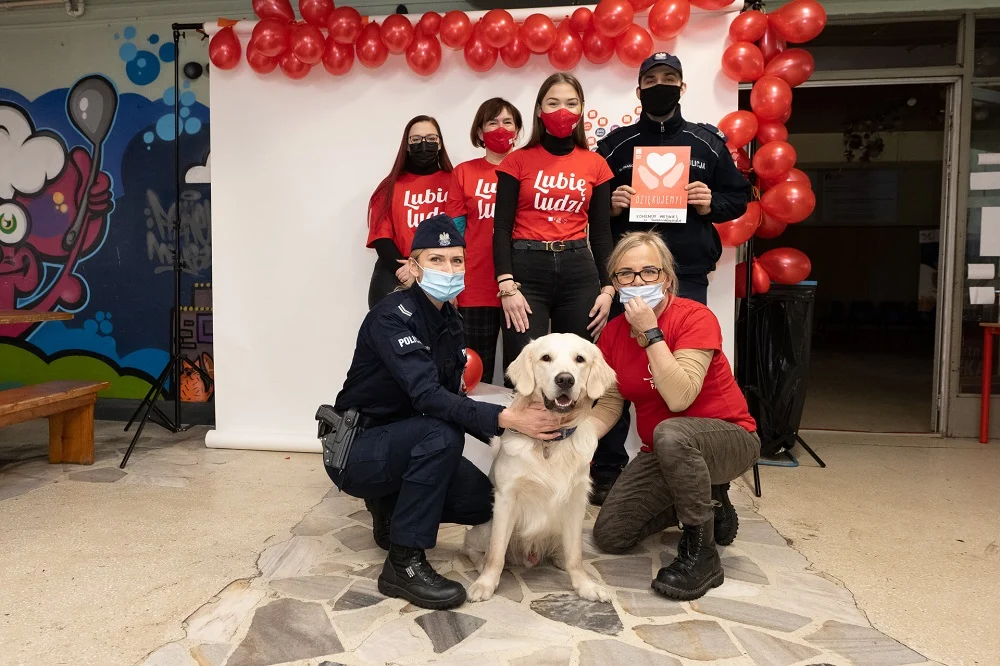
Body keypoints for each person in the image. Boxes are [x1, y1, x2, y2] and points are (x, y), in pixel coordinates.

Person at [325, 214, 566, 610]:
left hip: (403, 442)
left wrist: (512, 420)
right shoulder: (390, 316)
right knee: (440, 435)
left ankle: (390, 508)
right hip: (358, 448)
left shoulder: (449, 318)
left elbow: (453, 393)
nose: (449, 269)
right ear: (415, 267)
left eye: (457, 261)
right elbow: (429, 397)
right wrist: (506, 420)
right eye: (436, 260)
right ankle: (403, 564)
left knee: (480, 502)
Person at [590, 52, 753, 504]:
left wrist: (709, 202)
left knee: (683, 371)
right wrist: (610, 205)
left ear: (681, 88)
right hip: (628, 276)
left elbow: (738, 198)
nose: (660, 84)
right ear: (638, 89)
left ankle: (698, 466)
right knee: (620, 369)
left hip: (686, 272)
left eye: (669, 78)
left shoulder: (708, 141)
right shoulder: (614, 145)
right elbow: (585, 208)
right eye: (651, 79)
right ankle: (607, 467)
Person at [589, 231, 759, 601]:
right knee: (611, 536)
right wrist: (576, 438)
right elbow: (609, 403)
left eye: (649, 272)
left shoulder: (695, 317)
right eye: (626, 274)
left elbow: (680, 397)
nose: (638, 282)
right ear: (614, 283)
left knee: (670, 432)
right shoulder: (614, 334)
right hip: (665, 451)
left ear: (667, 277)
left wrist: (651, 332)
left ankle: (702, 553)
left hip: (728, 438)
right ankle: (706, 500)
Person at [492, 73, 617, 374]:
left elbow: (601, 234)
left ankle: (573, 425)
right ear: (539, 110)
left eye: (571, 103)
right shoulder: (516, 161)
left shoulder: (596, 164)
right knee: (525, 371)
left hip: (579, 272)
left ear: (581, 110)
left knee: (578, 370)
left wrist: (609, 288)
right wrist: (506, 285)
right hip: (526, 273)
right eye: (553, 102)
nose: (562, 110)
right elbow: (501, 228)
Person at [447, 98, 524, 385]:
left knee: (521, 375)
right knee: (474, 372)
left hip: (522, 283)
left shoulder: (529, 168)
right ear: (480, 132)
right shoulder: (464, 172)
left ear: (517, 130)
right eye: (492, 122)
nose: (500, 128)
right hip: (476, 285)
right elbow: (454, 234)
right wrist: (452, 283)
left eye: (507, 122)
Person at [366, 115, 454, 309]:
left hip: (442, 275)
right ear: (406, 145)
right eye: (416, 140)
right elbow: (381, 237)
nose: (424, 144)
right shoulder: (388, 187)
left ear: (440, 144)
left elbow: (461, 231)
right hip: (396, 273)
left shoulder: (455, 182)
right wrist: (406, 271)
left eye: (431, 139)